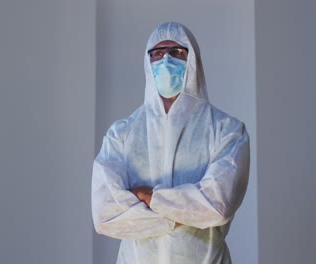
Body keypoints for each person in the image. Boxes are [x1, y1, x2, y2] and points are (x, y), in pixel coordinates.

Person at [91, 22, 250, 264]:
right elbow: (105, 214)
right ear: (148, 62)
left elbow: (218, 205)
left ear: (193, 61)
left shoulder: (227, 130)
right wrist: (181, 214)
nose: (165, 61)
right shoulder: (122, 134)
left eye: (176, 53)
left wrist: (148, 197)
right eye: (157, 54)